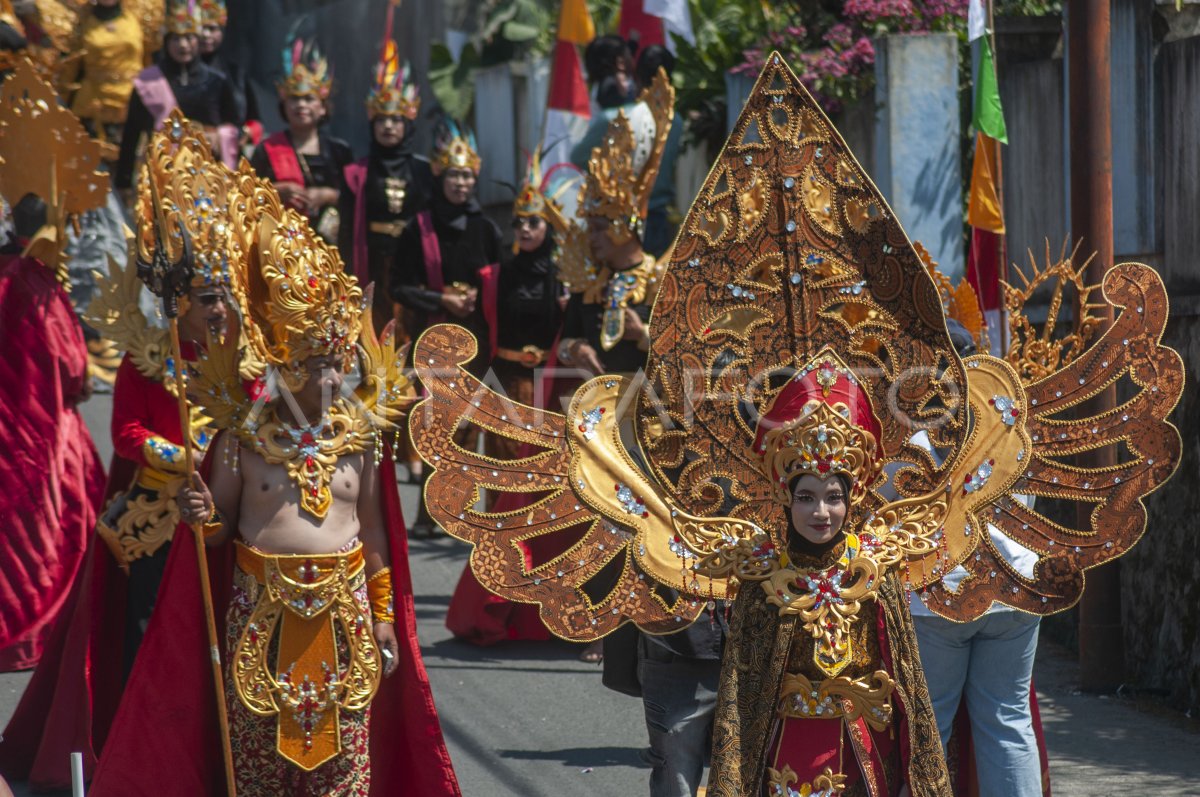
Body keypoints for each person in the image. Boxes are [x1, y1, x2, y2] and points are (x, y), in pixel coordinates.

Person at [87, 123, 460, 796]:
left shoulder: (363, 437)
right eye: (311, 364)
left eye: (333, 363)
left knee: (345, 768)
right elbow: (220, 534)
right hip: (258, 616)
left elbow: (376, 542)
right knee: (258, 765)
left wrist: (382, 619)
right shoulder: (240, 437)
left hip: (345, 619)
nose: (325, 378)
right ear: (280, 365)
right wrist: (199, 514)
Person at [0, 111, 241, 789]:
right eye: (206, 298)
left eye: (222, 297)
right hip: (153, 517)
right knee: (143, 635)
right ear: (181, 302)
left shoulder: (239, 359)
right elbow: (125, 434)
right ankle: (140, 740)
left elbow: (250, 422)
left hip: (216, 512)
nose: (218, 309)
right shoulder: (145, 358)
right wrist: (178, 450)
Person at [443, 152, 576, 645]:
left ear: (549, 227)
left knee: (544, 501)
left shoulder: (563, 280)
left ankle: (540, 596)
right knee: (502, 500)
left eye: (533, 221)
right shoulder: (493, 278)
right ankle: (499, 591)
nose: (524, 228)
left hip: (548, 395)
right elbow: (477, 341)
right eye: (518, 221)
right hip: (502, 390)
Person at [391, 119, 500, 537]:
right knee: (436, 425)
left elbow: (499, 281)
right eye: (454, 174)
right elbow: (399, 286)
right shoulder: (418, 229)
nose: (460, 182)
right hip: (433, 341)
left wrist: (479, 296)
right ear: (439, 175)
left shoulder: (486, 228)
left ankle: (462, 512)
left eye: (467, 175)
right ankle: (427, 511)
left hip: (477, 343)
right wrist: (442, 300)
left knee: (471, 426)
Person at [339, 39, 433, 337]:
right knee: (375, 333)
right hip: (372, 261)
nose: (388, 126)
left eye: (395, 119)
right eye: (381, 119)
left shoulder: (424, 170)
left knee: (413, 335)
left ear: (408, 125)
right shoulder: (357, 173)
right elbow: (346, 229)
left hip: (412, 265)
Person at [113, 0, 240, 195]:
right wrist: (123, 183)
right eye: (176, 39)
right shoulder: (148, 82)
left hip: (207, 175)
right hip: (163, 175)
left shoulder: (217, 81)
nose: (183, 45)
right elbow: (132, 133)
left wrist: (219, 134)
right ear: (166, 41)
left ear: (197, 40)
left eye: (189, 38)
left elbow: (234, 124)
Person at [249, 38, 351, 244]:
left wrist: (329, 195)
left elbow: (357, 202)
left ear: (322, 107)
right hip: (282, 244)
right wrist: (277, 191)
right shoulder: (267, 149)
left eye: (309, 99)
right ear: (284, 105)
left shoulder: (339, 151)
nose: (301, 105)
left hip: (330, 245)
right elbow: (247, 195)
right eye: (294, 98)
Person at [60, 0, 144, 149]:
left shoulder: (137, 16)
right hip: (93, 104)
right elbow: (71, 65)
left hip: (131, 101)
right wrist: (60, 102)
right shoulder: (81, 21)